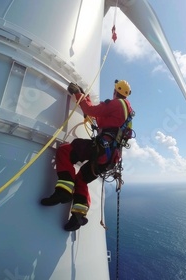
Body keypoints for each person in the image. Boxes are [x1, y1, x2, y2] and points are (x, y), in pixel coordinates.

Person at [41, 79, 134, 231]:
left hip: (102, 149)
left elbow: (92, 111)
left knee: (65, 150)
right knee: (82, 179)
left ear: (115, 91)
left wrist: (78, 94)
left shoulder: (116, 104)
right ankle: (78, 216)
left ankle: (63, 191)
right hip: (110, 158)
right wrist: (86, 98)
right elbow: (100, 117)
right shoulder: (127, 112)